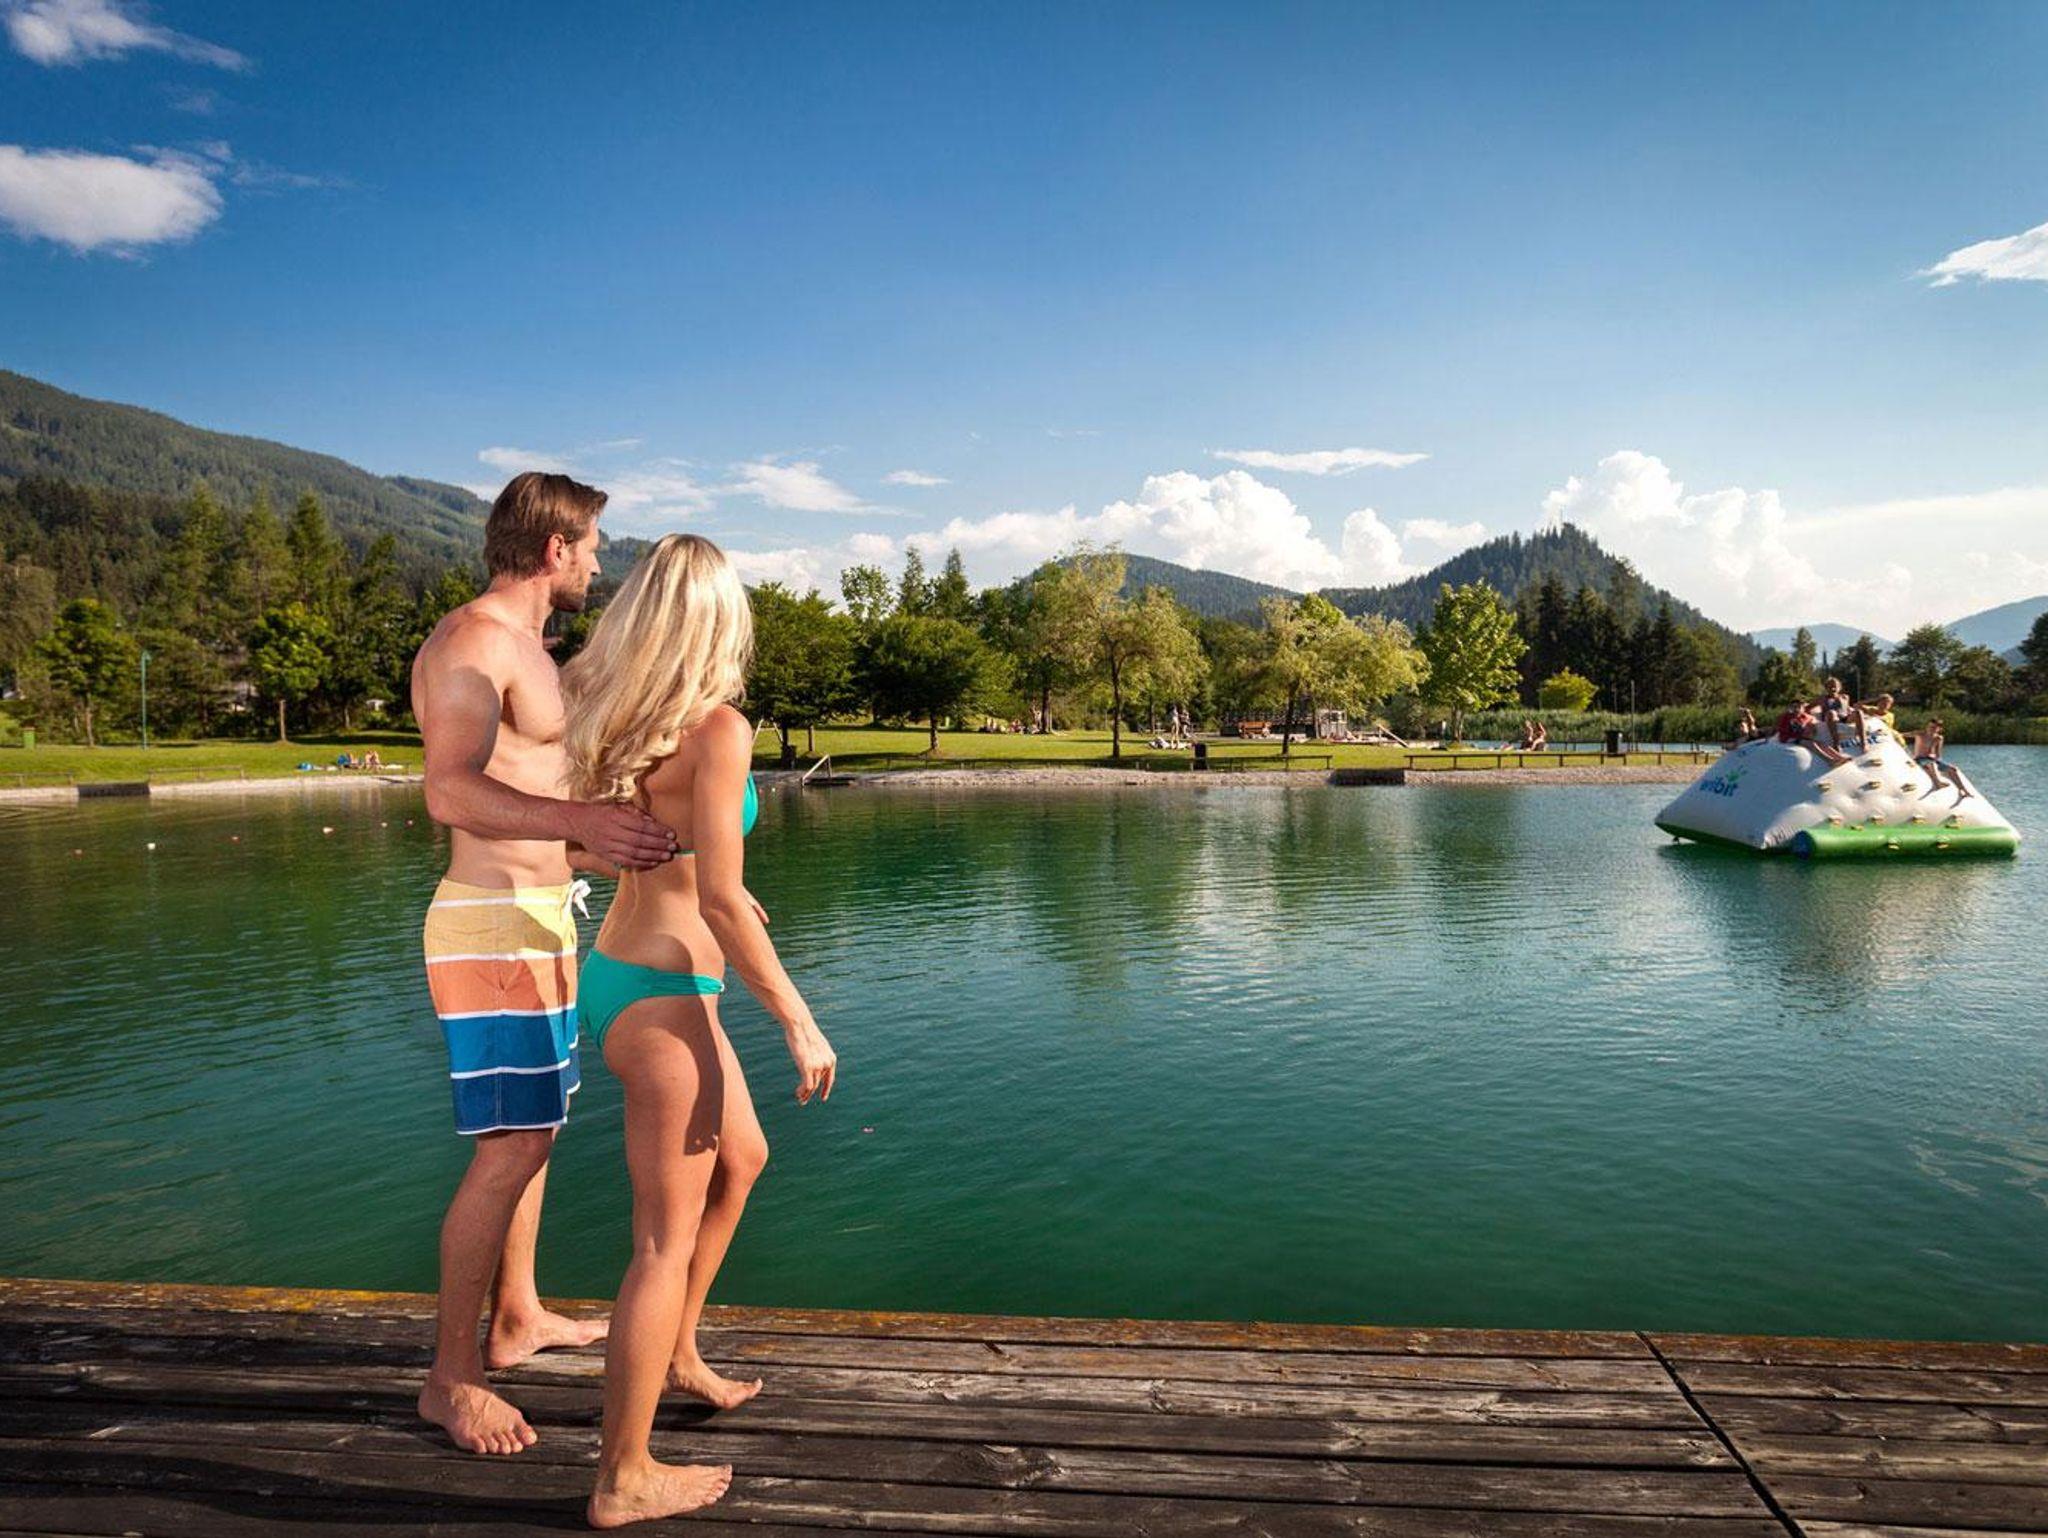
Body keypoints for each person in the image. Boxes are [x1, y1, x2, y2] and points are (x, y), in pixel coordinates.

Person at [561, 533, 838, 1529]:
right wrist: (798, 1018)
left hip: (621, 973)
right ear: (720, 619)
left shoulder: (607, 710)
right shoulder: (718, 727)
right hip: (666, 992)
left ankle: (677, 1351)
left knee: (743, 1157)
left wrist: (695, 880)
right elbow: (716, 895)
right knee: (658, 1243)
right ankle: (621, 1475)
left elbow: (582, 845)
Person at [410, 472, 680, 1459]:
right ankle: (450, 1378)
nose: (600, 563)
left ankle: (517, 1314)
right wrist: (580, 820)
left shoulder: (531, 649)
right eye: (594, 545)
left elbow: (521, 806)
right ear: (556, 546)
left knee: (536, 1130)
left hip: (536, 917)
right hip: (489, 930)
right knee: (510, 1146)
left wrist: (593, 851)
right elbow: (448, 791)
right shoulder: (475, 642)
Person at [1912, 717, 1971, 799]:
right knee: (1930, 763)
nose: (1931, 729)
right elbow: (1901, 735)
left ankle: (1963, 790)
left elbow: (1938, 754)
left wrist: (1934, 755)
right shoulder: (1920, 734)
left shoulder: (1938, 738)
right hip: (1920, 758)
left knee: (1952, 769)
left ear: (1939, 729)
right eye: (1930, 727)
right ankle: (1937, 783)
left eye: (1934, 728)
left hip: (1932, 759)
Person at [1816, 676, 1863, 753]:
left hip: (1844, 718)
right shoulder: (1822, 698)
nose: (1833, 689)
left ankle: (1863, 742)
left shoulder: (1845, 697)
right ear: (1826, 688)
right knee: (1832, 713)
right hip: (1831, 718)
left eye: (1835, 686)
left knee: (1859, 712)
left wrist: (1852, 712)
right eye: (1830, 687)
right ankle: (1836, 743)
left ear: (1839, 688)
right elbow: (1808, 707)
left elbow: (1847, 708)